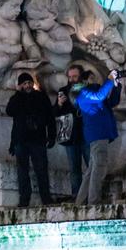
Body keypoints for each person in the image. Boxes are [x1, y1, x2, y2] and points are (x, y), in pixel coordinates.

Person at [72, 68, 123, 205]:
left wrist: (116, 85)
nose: (95, 80)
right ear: (84, 81)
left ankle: (80, 201)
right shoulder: (83, 93)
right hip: (97, 133)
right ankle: (94, 201)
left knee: (91, 170)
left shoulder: (95, 91)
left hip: (101, 132)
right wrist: (110, 80)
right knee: (99, 166)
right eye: (92, 78)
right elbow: (99, 97)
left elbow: (111, 102)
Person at [5, 72, 55, 207]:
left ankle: (46, 197)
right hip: (21, 140)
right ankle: (24, 198)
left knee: (41, 169)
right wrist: (18, 94)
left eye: (29, 83)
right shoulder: (17, 98)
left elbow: (50, 117)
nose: (27, 86)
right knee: (22, 171)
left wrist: (51, 135)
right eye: (24, 84)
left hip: (38, 139)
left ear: (33, 84)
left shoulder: (41, 97)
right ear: (20, 85)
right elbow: (9, 111)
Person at [56, 63, 89, 198]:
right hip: (70, 135)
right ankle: (77, 196)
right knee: (74, 168)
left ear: (80, 76)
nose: (72, 79)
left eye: (75, 76)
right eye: (70, 77)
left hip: (86, 132)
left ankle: (93, 192)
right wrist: (59, 104)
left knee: (91, 165)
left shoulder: (87, 89)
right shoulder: (63, 90)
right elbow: (54, 112)